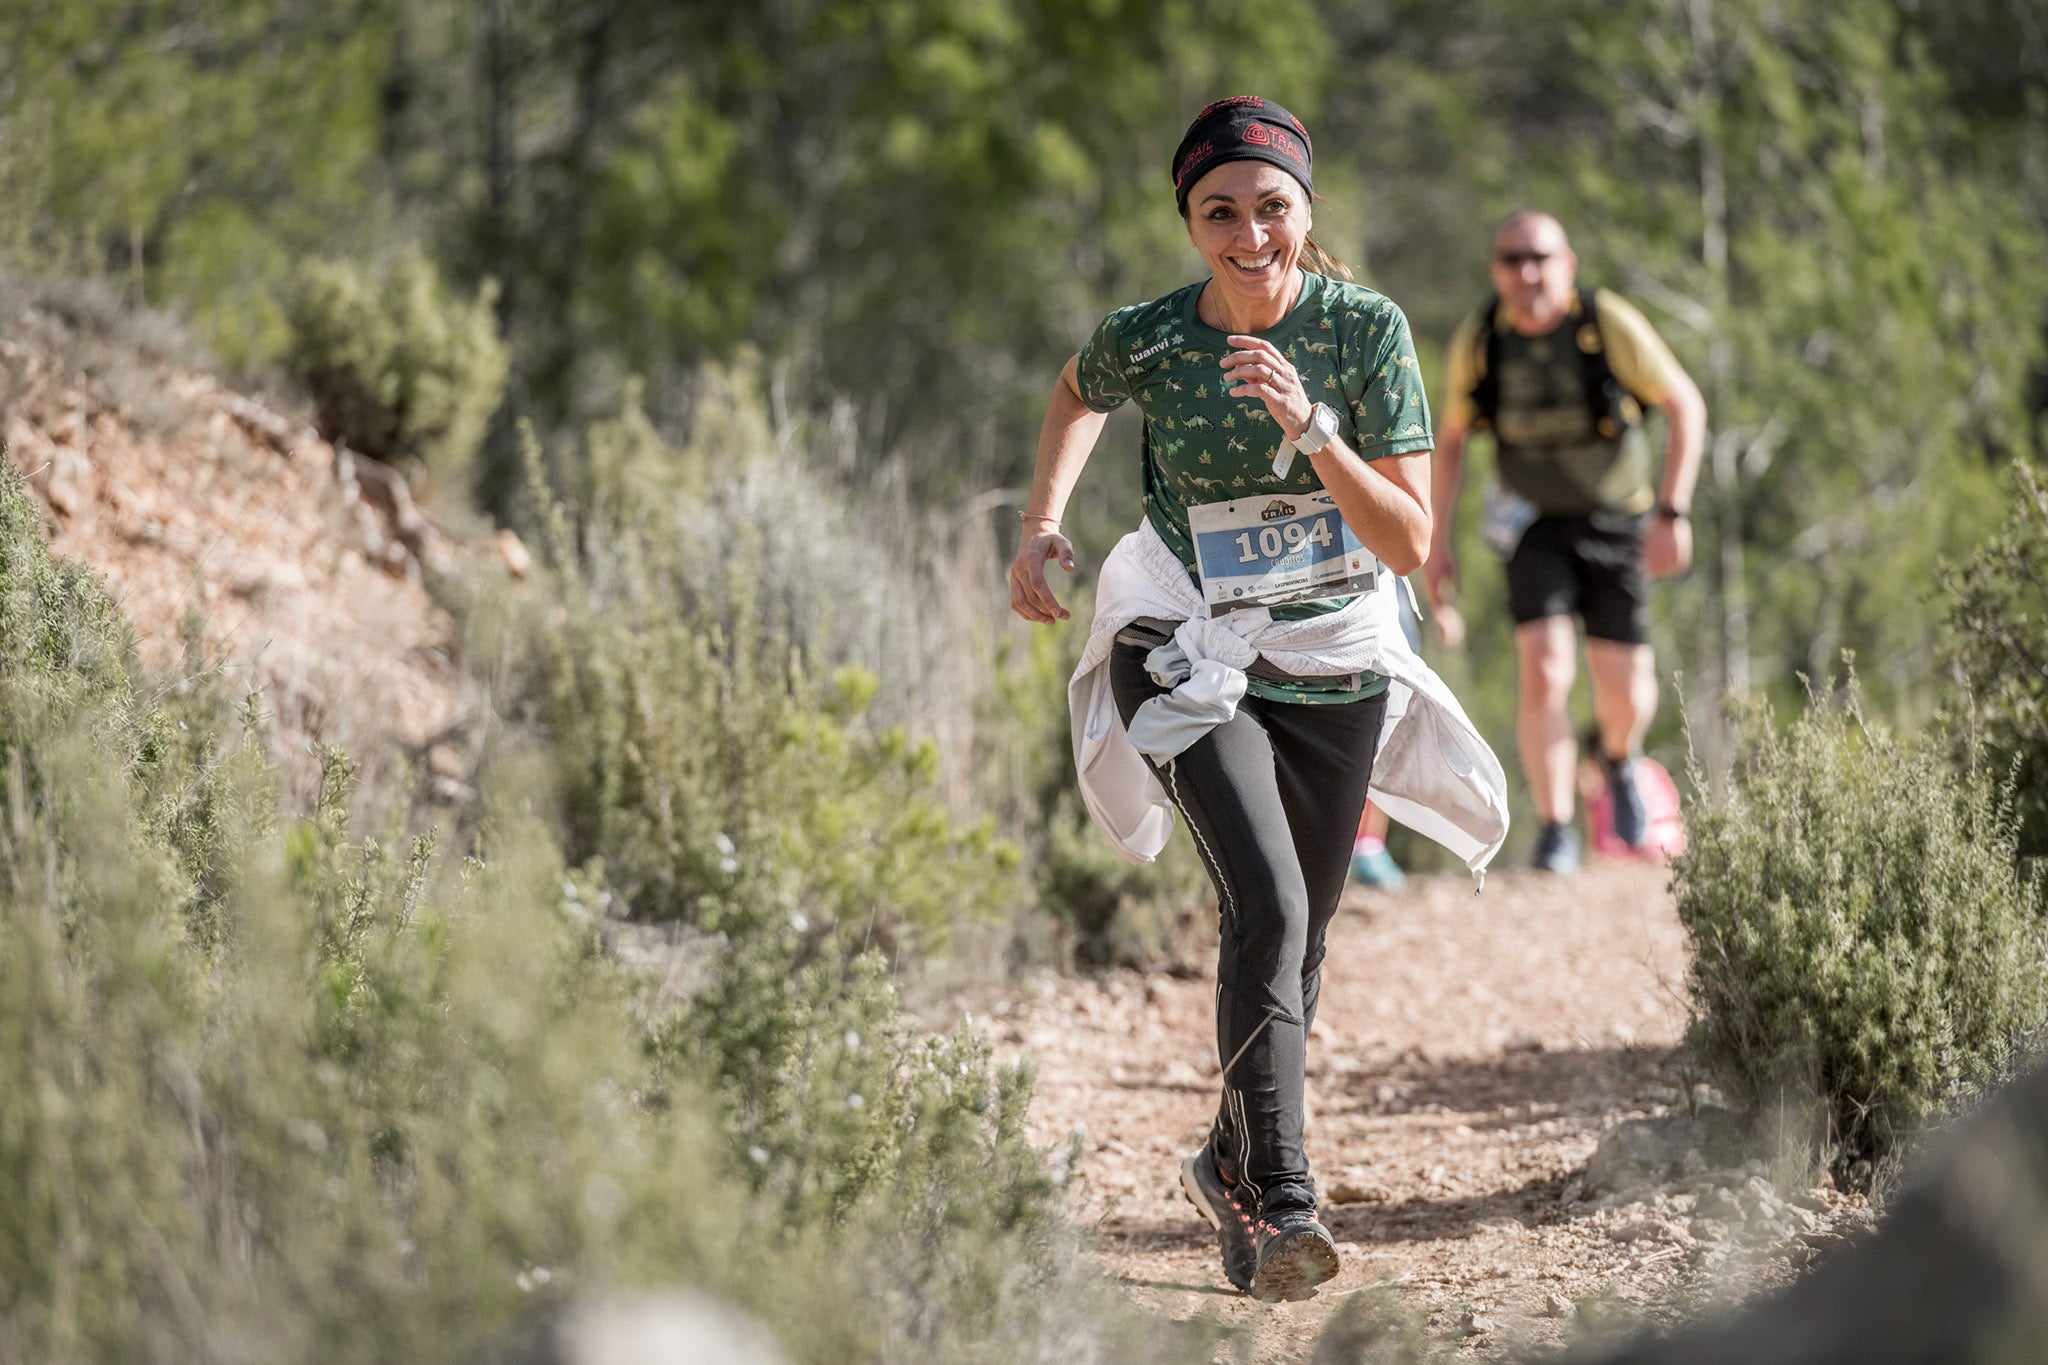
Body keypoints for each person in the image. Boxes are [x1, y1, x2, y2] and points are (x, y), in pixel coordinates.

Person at [1008, 96, 1508, 1302]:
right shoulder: (1157, 338)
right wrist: (1039, 526)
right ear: (1188, 220)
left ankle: (1222, 1158)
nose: (1247, 236)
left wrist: (1312, 428)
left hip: (1333, 654)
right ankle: (1281, 1199)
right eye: (1217, 212)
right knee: (1270, 901)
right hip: (1181, 638)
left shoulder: (1364, 331)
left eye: (1269, 208)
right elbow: (1076, 389)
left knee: (1298, 936)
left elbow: (1403, 541)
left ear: (1304, 210)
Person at [1421, 211, 1706, 875]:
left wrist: (1673, 512)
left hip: (1619, 517)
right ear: (1496, 269)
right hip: (1532, 523)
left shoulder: (1606, 324)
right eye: (1511, 259)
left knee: (1624, 683)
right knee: (1546, 670)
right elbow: (1453, 441)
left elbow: (1683, 403)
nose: (1526, 273)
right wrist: (1436, 544)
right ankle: (1555, 828)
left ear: (1566, 264)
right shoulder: (1484, 338)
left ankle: (1621, 758)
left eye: (1539, 258)